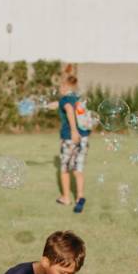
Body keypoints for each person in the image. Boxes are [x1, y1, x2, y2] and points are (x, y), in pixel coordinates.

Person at [53, 65, 91, 213]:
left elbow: (68, 110)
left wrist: (74, 131)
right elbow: (65, 106)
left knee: (64, 169)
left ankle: (65, 197)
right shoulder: (77, 98)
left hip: (70, 138)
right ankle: (80, 197)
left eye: (60, 86)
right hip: (84, 138)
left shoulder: (64, 100)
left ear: (64, 86)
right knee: (78, 168)